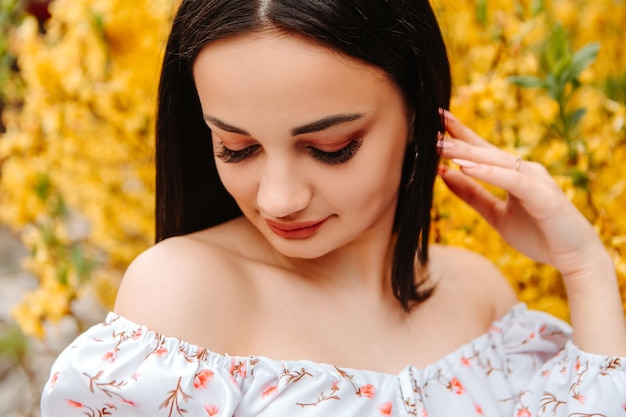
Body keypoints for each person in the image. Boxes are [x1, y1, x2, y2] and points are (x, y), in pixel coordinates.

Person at [41, 0, 626, 416]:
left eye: (330, 149)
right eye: (236, 148)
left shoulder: (477, 295)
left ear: (418, 112)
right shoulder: (186, 295)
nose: (279, 198)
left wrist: (585, 268)